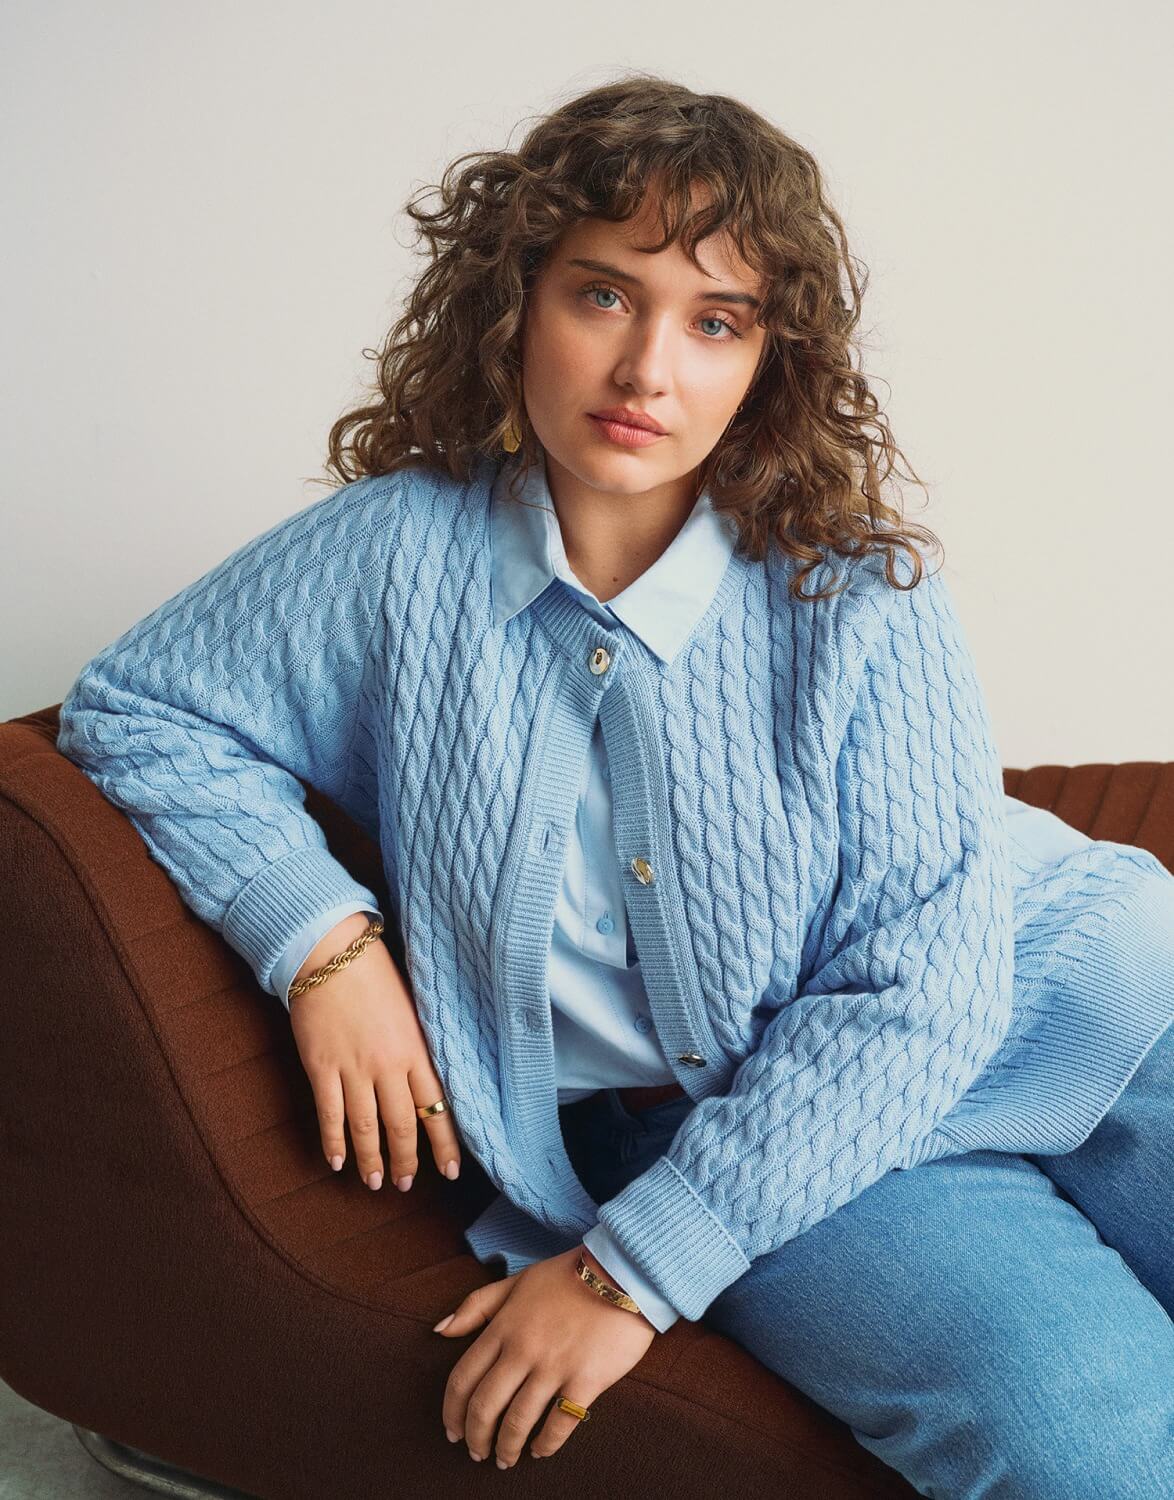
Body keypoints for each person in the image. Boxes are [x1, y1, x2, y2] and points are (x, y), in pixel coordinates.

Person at [55, 73, 1174, 1496]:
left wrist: (617, 1279)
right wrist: (324, 946)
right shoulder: (392, 555)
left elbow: (925, 989)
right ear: (514, 300)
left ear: (767, 360)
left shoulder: (859, 595)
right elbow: (140, 710)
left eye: (716, 321)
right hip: (771, 1129)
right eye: (603, 295)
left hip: (1080, 995)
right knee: (1089, 1447)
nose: (648, 369)